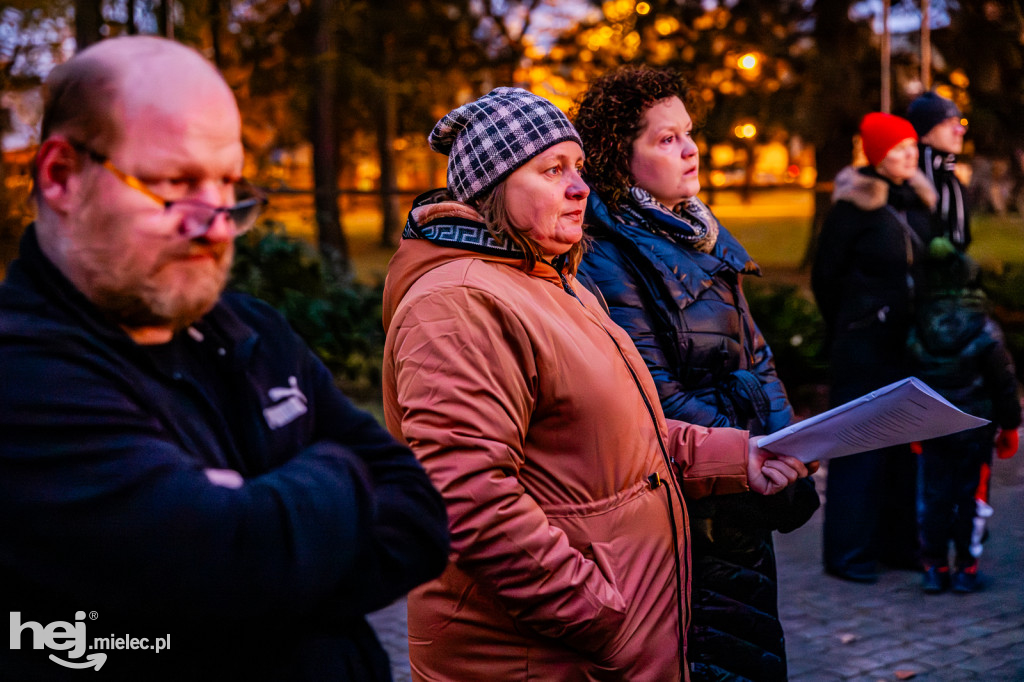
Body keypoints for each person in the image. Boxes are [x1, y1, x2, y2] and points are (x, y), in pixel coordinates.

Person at [0, 36, 449, 681]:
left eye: (229, 185)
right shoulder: (23, 377)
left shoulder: (252, 332)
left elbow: (420, 519)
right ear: (62, 176)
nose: (214, 224)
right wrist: (344, 471)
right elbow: (229, 563)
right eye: (175, 183)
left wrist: (267, 535)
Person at [381, 87, 813, 681]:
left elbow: (625, 430)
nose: (580, 187)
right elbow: (465, 497)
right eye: (552, 170)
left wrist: (741, 456)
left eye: (578, 167)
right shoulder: (459, 302)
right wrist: (598, 612)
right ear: (492, 189)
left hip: (606, 644)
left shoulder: (557, 282)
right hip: (545, 655)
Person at [571, 66, 820, 682]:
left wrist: (790, 446)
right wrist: (754, 453)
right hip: (689, 507)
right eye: (665, 139)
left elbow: (755, 356)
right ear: (619, 157)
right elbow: (653, 392)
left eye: (689, 133)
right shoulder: (606, 253)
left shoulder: (699, 233)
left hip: (742, 483)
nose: (690, 150)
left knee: (749, 647)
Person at [812, 112, 936, 583]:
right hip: (864, 346)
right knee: (859, 447)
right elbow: (827, 277)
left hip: (909, 346)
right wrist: (857, 320)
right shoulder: (852, 208)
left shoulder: (918, 202)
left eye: (911, 147)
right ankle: (849, 554)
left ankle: (899, 545)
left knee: (904, 446)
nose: (910, 155)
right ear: (879, 153)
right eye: (900, 148)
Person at [907, 239, 1021, 593]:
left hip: (932, 425)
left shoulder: (917, 326)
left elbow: (909, 380)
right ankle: (966, 569)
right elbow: (1003, 382)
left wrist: (912, 425)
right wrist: (1011, 425)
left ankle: (933, 567)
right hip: (976, 427)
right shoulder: (985, 328)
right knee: (971, 496)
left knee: (933, 496)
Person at [907, 91, 970, 251]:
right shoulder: (908, 180)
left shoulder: (950, 178)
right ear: (925, 132)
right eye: (948, 123)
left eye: (960, 123)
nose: (959, 131)